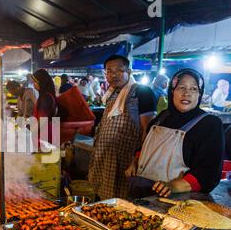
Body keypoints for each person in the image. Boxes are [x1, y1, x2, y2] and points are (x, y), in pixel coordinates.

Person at [126, 69, 223, 198]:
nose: (187, 93)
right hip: (140, 190)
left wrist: (174, 186)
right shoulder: (162, 117)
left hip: (175, 199)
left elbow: (209, 172)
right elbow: (145, 146)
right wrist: (135, 162)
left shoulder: (209, 124)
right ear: (172, 92)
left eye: (194, 89)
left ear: (200, 94)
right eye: (181, 87)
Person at [88, 55, 157, 200]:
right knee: (104, 199)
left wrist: (137, 160)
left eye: (119, 70)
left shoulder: (142, 92)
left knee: (123, 200)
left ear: (129, 72)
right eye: (109, 71)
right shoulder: (110, 95)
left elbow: (149, 130)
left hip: (127, 160)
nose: (113, 75)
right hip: (106, 159)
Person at [31, 69, 58, 145]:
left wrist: (31, 130)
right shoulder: (45, 95)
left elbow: (43, 120)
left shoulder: (46, 97)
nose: (34, 84)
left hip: (44, 135)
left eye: (35, 82)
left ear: (42, 82)